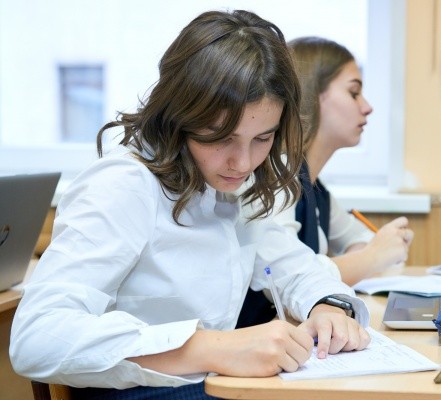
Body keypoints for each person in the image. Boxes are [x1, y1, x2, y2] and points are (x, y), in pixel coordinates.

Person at [9, 11, 371, 400]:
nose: (243, 163)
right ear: (178, 118)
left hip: (205, 384)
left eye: (262, 138)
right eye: (220, 137)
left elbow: (291, 266)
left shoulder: (232, 183)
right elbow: (36, 337)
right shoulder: (124, 184)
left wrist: (328, 307)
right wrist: (211, 347)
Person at [237, 37, 413, 328]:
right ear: (312, 95)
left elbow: (360, 238)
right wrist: (371, 258)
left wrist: (369, 254)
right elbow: (281, 274)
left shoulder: (314, 185)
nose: (367, 107)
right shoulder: (275, 176)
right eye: (354, 93)